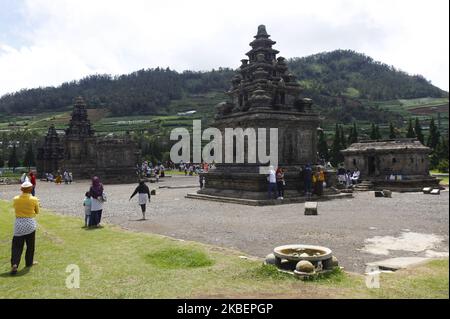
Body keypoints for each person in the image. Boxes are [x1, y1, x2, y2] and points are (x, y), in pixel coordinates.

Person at [10, 181, 40, 275]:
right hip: (30, 224)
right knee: (30, 245)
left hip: (19, 224)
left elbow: (15, 208)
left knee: (16, 246)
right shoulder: (34, 199)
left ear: (21, 189)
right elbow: (37, 211)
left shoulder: (16, 199)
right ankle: (29, 262)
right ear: (30, 189)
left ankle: (15, 264)